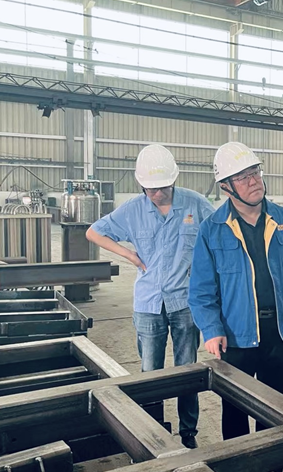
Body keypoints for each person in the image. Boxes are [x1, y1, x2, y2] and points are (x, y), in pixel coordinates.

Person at [87, 144, 214, 449]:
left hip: (185, 302)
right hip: (148, 304)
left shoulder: (196, 204)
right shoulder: (132, 210)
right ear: (140, 184)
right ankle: (152, 434)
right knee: (149, 373)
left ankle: (188, 433)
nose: (156, 194)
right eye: (150, 189)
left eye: (162, 187)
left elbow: (220, 235)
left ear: (174, 179)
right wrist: (128, 254)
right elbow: (94, 232)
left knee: (187, 371)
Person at [189, 142, 283, 440]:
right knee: (235, 409)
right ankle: (238, 468)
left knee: (274, 409)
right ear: (225, 187)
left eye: (255, 172)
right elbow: (201, 290)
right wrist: (211, 330)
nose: (254, 181)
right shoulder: (212, 229)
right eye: (243, 177)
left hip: (277, 332)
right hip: (235, 335)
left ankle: (272, 464)